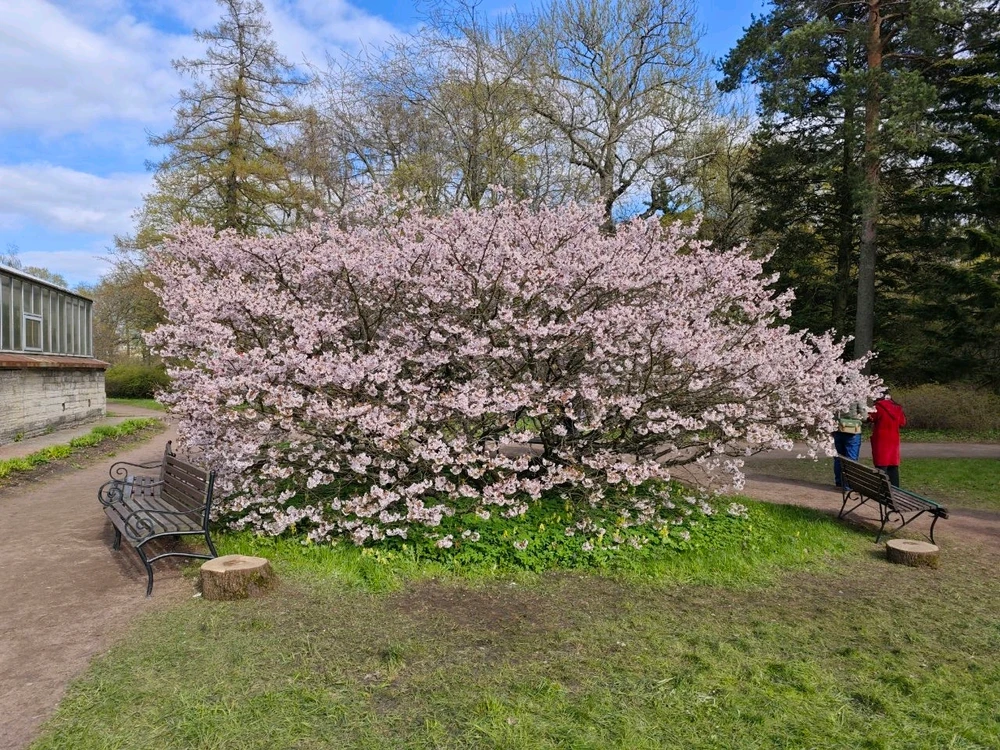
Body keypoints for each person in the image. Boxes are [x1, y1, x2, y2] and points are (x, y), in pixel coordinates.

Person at [869, 393, 906, 486]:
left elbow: (870, 418)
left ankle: (883, 488)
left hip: (881, 440)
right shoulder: (897, 408)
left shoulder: (878, 407)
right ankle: (895, 488)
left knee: (881, 464)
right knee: (893, 465)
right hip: (893, 439)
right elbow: (902, 422)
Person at [833, 400, 866, 487]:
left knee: (839, 457)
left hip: (838, 428)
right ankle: (848, 485)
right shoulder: (857, 395)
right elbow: (864, 416)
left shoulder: (835, 393)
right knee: (851, 458)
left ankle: (839, 482)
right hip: (852, 431)